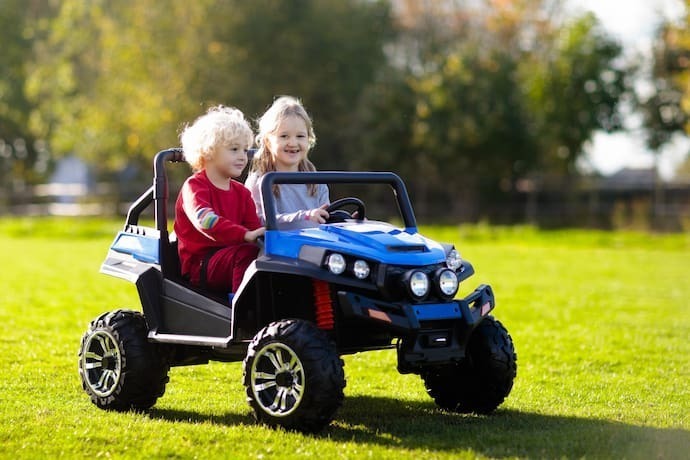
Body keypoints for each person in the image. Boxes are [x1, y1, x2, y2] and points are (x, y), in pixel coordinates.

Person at [174, 106, 265, 293]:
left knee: (266, 253)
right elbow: (206, 221)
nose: (242, 156)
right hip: (201, 265)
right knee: (247, 253)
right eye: (234, 149)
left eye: (245, 149)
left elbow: (254, 230)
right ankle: (243, 309)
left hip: (231, 257)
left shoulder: (242, 192)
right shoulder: (195, 187)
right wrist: (245, 235)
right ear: (208, 151)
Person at [245, 96, 330, 229]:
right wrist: (305, 216)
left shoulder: (317, 182)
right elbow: (260, 221)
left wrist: (348, 222)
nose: (293, 143)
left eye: (300, 136)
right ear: (268, 141)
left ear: (309, 139)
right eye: (284, 136)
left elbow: (326, 219)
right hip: (278, 248)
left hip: (315, 246)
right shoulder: (260, 181)